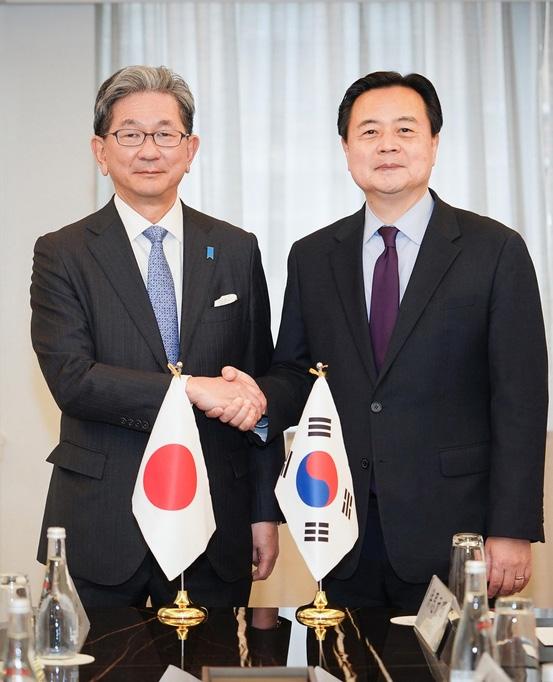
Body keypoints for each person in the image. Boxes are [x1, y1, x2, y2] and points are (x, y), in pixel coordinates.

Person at [216, 71, 548, 610]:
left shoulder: (494, 250)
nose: (387, 144)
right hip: (342, 528)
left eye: (405, 130)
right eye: (369, 131)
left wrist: (511, 528)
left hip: (456, 529)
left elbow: (521, 399)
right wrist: (252, 397)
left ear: (434, 143)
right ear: (346, 149)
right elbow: (297, 373)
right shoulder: (313, 256)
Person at [30, 65, 283, 609]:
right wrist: (189, 388)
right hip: (101, 520)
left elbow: (255, 390)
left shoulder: (236, 249)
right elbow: (73, 381)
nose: (149, 150)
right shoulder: (62, 253)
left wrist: (264, 509)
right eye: (130, 134)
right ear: (100, 151)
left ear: (190, 149)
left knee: (210, 656)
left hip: (216, 521)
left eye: (166, 134)